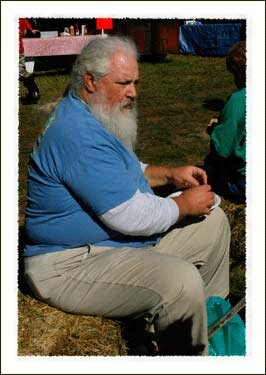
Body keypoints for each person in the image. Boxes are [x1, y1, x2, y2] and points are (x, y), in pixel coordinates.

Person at [23, 36, 230, 356]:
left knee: (213, 222)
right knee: (179, 282)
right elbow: (129, 216)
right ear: (90, 81)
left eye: (135, 82)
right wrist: (182, 205)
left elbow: (122, 168)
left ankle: (212, 323)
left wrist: (169, 174)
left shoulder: (94, 113)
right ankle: (187, 355)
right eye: (123, 83)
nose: (133, 91)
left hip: (109, 246)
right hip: (70, 264)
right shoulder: (77, 133)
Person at [203, 41, 246, 203]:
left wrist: (214, 130)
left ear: (240, 73)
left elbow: (223, 148)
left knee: (213, 161)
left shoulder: (238, 100)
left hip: (244, 184)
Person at [19, 18, 40, 103]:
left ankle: (34, 93)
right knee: (21, 71)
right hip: (19, 48)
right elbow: (24, 33)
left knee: (21, 72)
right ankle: (34, 93)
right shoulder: (22, 19)